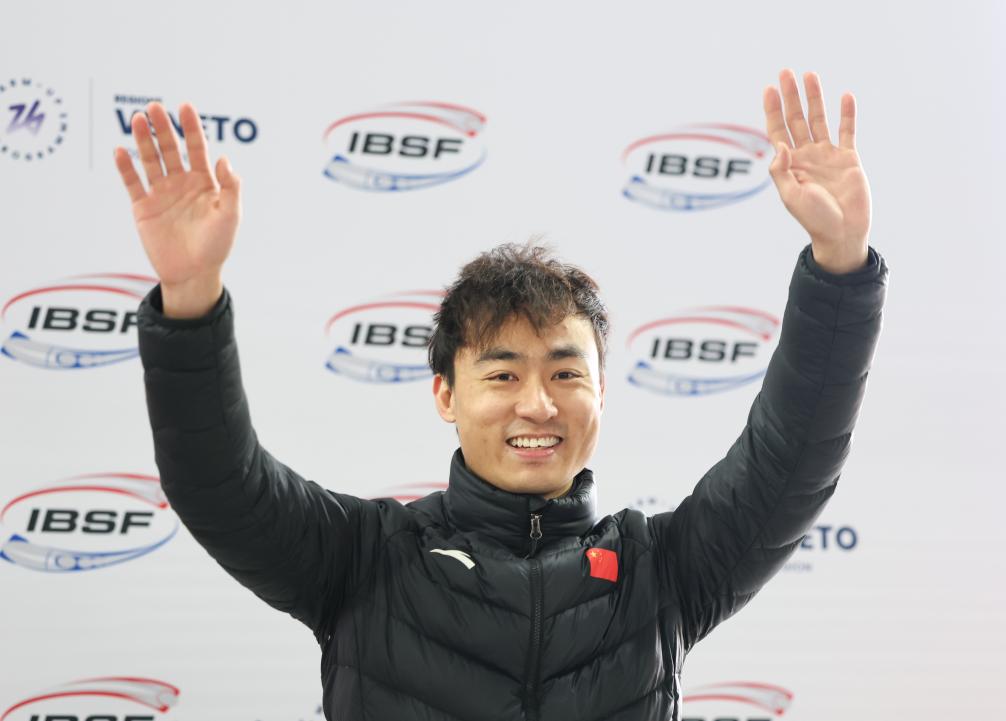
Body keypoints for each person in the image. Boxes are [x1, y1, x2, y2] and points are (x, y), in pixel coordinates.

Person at [114, 69, 888, 721]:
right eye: (504, 374)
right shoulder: (364, 557)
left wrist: (839, 261)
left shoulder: (662, 572)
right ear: (445, 394)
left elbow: (793, 459)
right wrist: (190, 297)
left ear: (602, 391)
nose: (538, 404)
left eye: (565, 372)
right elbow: (218, 482)